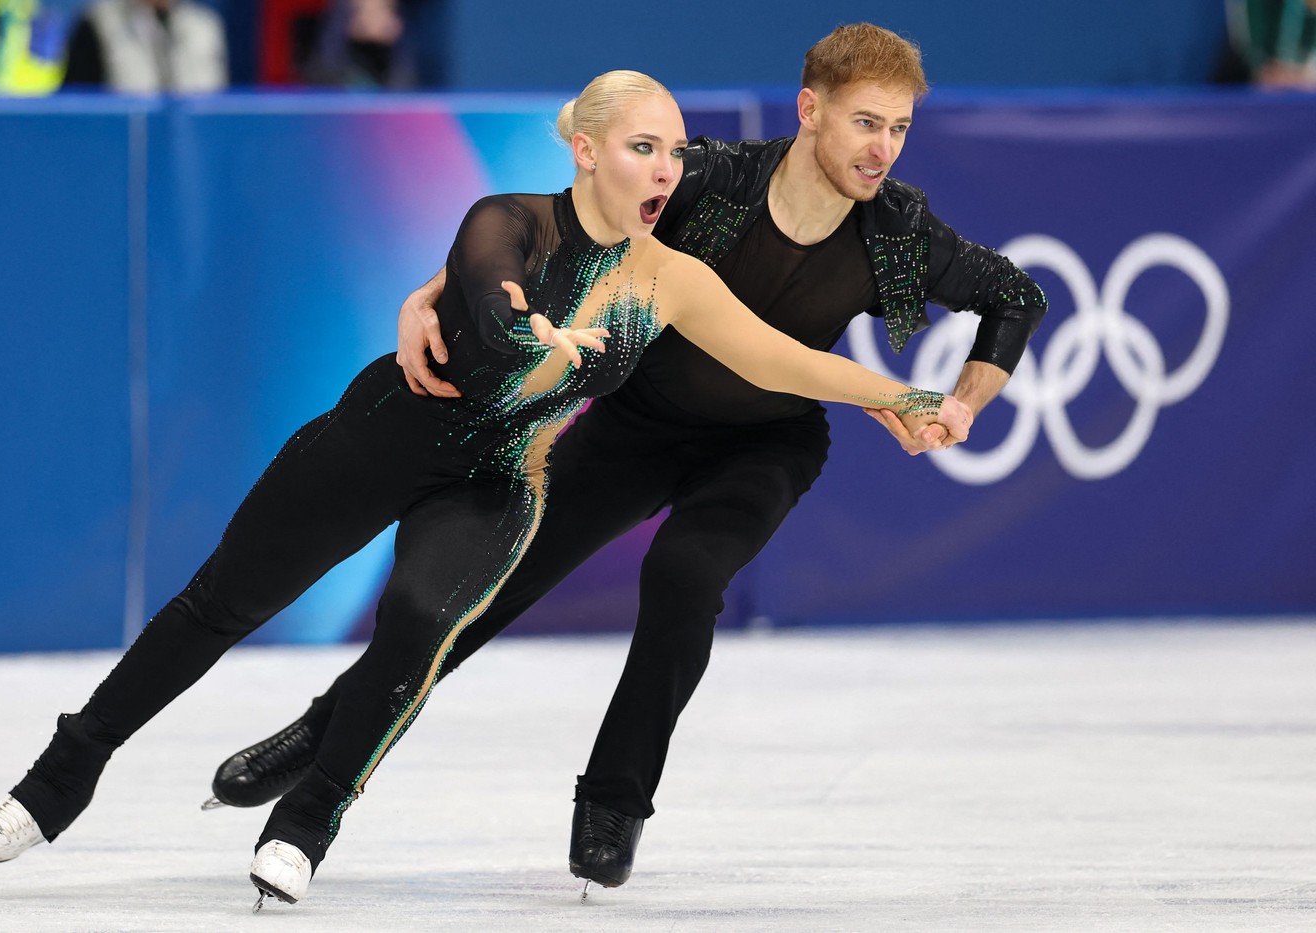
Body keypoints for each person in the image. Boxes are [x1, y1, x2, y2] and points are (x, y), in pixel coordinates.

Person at [0, 69, 972, 909]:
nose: (662, 170)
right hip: (382, 441)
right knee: (222, 601)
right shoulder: (506, 218)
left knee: (414, 627)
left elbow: (782, 360)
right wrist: (546, 335)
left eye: (671, 152)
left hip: (496, 480)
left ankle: (307, 821)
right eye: (638, 148)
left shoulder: (673, 280)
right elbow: (491, 307)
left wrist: (903, 394)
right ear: (584, 150)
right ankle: (62, 778)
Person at [202, 23, 1048, 894]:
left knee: (685, 576)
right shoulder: (708, 178)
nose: (884, 148)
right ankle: (326, 729)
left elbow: (1016, 297)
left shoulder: (899, 232)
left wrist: (962, 403)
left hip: (766, 445)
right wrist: (431, 293)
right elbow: (545, 231)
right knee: (486, 583)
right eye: (867, 122)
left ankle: (614, 801)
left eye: (900, 127)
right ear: (810, 110)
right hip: (638, 422)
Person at [60, 0, 227, 93]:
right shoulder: (98, 25)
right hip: (121, 149)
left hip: (192, 149)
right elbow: (81, 113)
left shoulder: (205, 27)